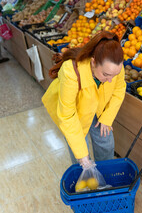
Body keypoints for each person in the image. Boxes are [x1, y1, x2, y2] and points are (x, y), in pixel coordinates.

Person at [42, 31, 126, 168]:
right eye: (106, 75)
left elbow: (119, 89)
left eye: (114, 75)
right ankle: (86, 180)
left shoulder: (115, 66)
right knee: (80, 151)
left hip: (99, 106)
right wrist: (83, 157)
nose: (111, 80)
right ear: (93, 62)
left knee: (106, 143)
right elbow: (67, 116)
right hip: (76, 109)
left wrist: (107, 117)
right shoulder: (71, 71)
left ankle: (106, 173)